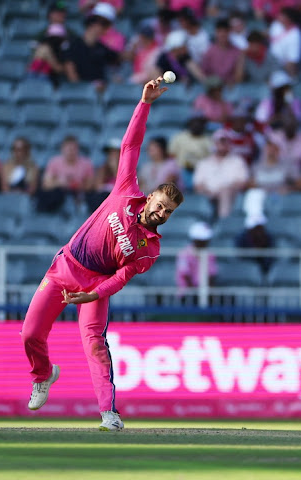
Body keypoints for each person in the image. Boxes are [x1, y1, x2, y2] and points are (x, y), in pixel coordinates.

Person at [20, 77, 183, 431]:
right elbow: (130, 146)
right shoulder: (126, 191)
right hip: (66, 267)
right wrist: (145, 104)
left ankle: (109, 412)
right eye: (159, 205)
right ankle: (43, 374)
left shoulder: (150, 247)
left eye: (168, 212)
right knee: (30, 333)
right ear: (150, 197)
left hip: (98, 284)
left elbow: (122, 277)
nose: (161, 214)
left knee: (95, 345)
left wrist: (93, 294)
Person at [193, 130, 249, 218]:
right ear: (215, 143)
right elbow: (198, 185)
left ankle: (223, 222)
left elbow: (242, 183)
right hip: (208, 194)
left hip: (229, 194)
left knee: (225, 192)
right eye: (220, 142)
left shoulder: (237, 161)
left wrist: (222, 190)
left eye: (225, 142)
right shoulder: (204, 163)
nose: (222, 144)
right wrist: (210, 192)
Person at [176, 221, 218, 297]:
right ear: (195, 240)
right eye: (201, 241)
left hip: (205, 293)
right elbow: (185, 276)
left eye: (205, 241)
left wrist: (205, 292)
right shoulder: (184, 254)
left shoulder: (210, 255)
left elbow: (212, 275)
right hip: (187, 294)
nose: (203, 243)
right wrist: (196, 292)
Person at [200, 18, 244, 86]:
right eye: (220, 31)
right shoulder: (209, 51)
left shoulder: (237, 52)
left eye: (225, 31)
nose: (223, 34)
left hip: (232, 88)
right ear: (216, 32)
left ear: (230, 32)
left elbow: (239, 77)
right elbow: (204, 74)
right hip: (213, 88)